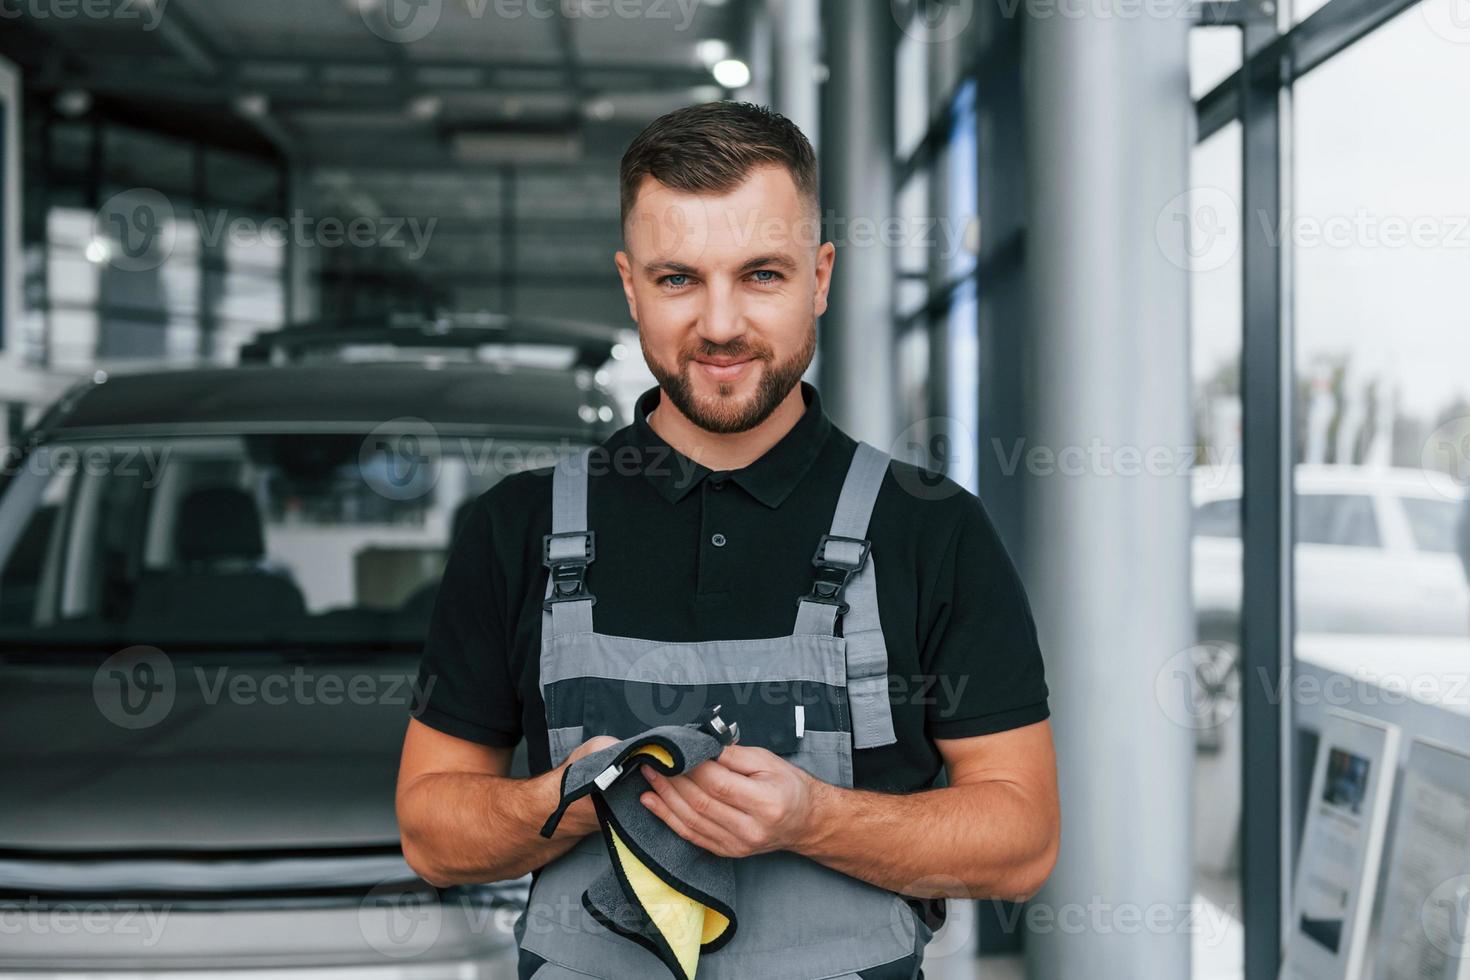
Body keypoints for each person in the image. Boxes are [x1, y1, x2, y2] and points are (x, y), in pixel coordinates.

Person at [395, 101, 1059, 979]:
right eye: (678, 280)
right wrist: (577, 801)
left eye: (761, 276)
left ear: (820, 278)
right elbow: (431, 834)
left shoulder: (929, 526)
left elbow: (1022, 841)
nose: (718, 325)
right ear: (629, 284)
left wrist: (811, 820)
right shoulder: (516, 528)